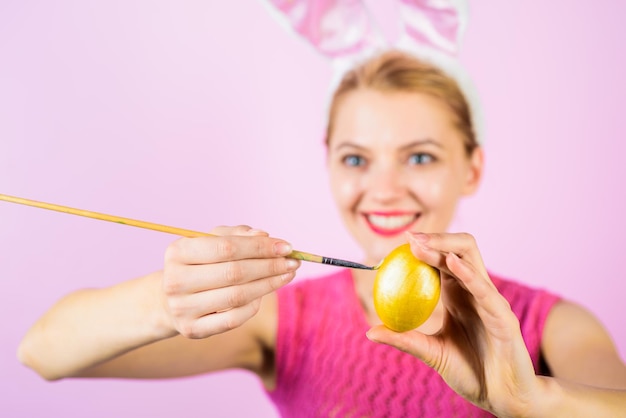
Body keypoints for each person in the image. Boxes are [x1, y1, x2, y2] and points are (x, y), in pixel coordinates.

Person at [17, 47, 626, 416]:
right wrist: (165, 298)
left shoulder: (553, 327)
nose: (383, 190)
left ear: (472, 167)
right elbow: (42, 351)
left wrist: (534, 404)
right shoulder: (288, 324)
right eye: (357, 159)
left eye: (419, 157)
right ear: (329, 162)